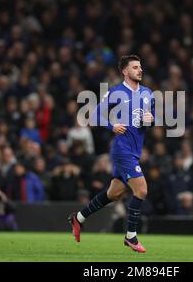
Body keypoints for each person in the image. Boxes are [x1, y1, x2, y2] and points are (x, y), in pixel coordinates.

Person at [68, 55, 155, 253]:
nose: (139, 70)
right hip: (121, 150)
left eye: (140, 66)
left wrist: (151, 119)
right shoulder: (116, 92)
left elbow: (149, 120)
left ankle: (78, 218)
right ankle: (131, 236)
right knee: (141, 190)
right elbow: (96, 114)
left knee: (114, 194)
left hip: (134, 151)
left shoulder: (148, 93)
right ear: (125, 71)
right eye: (134, 67)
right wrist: (112, 125)